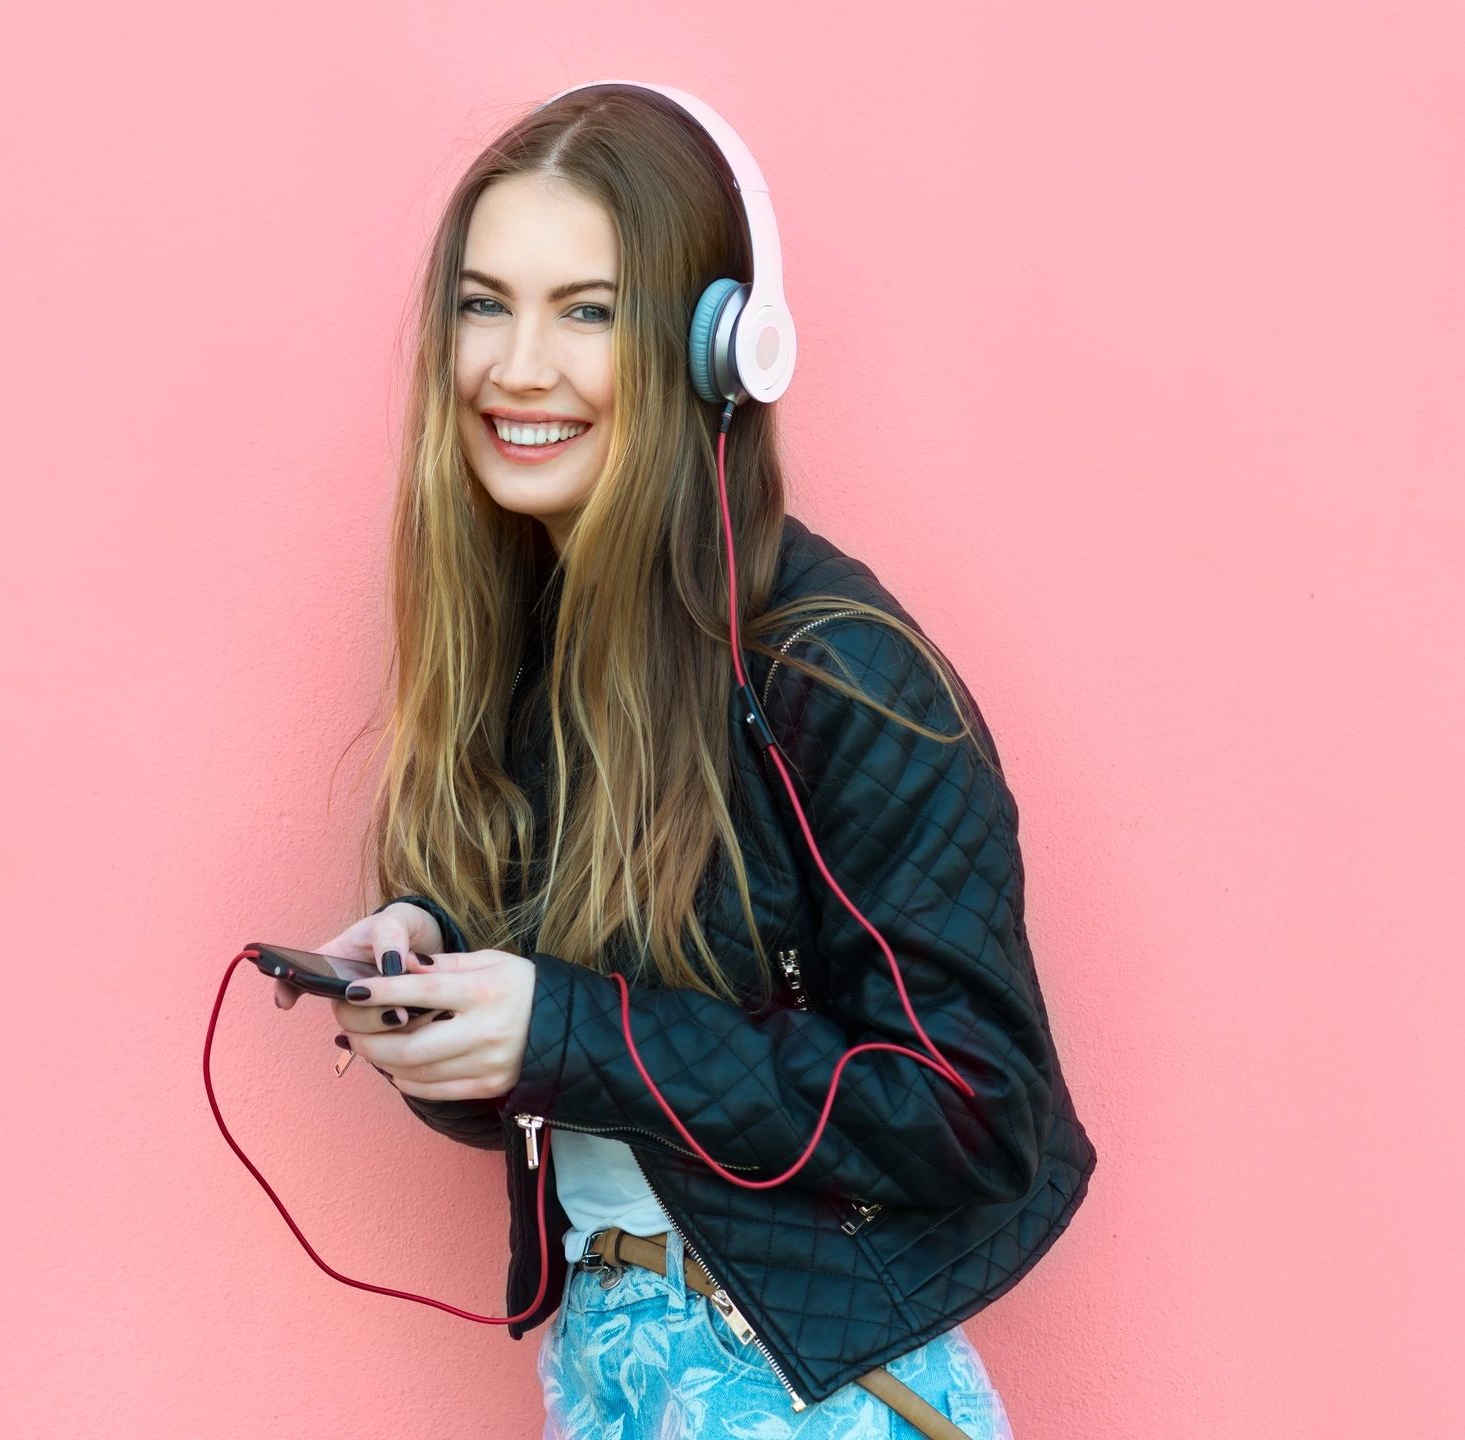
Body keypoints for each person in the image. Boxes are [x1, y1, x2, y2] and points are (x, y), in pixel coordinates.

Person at [272, 83, 1095, 1440]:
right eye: (484, 305)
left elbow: (971, 1108)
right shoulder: (523, 654)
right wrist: (446, 988)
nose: (515, 366)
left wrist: (560, 1027)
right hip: (609, 1373)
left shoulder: (833, 665)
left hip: (802, 1398)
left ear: (721, 350)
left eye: (586, 311)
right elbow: (615, 1073)